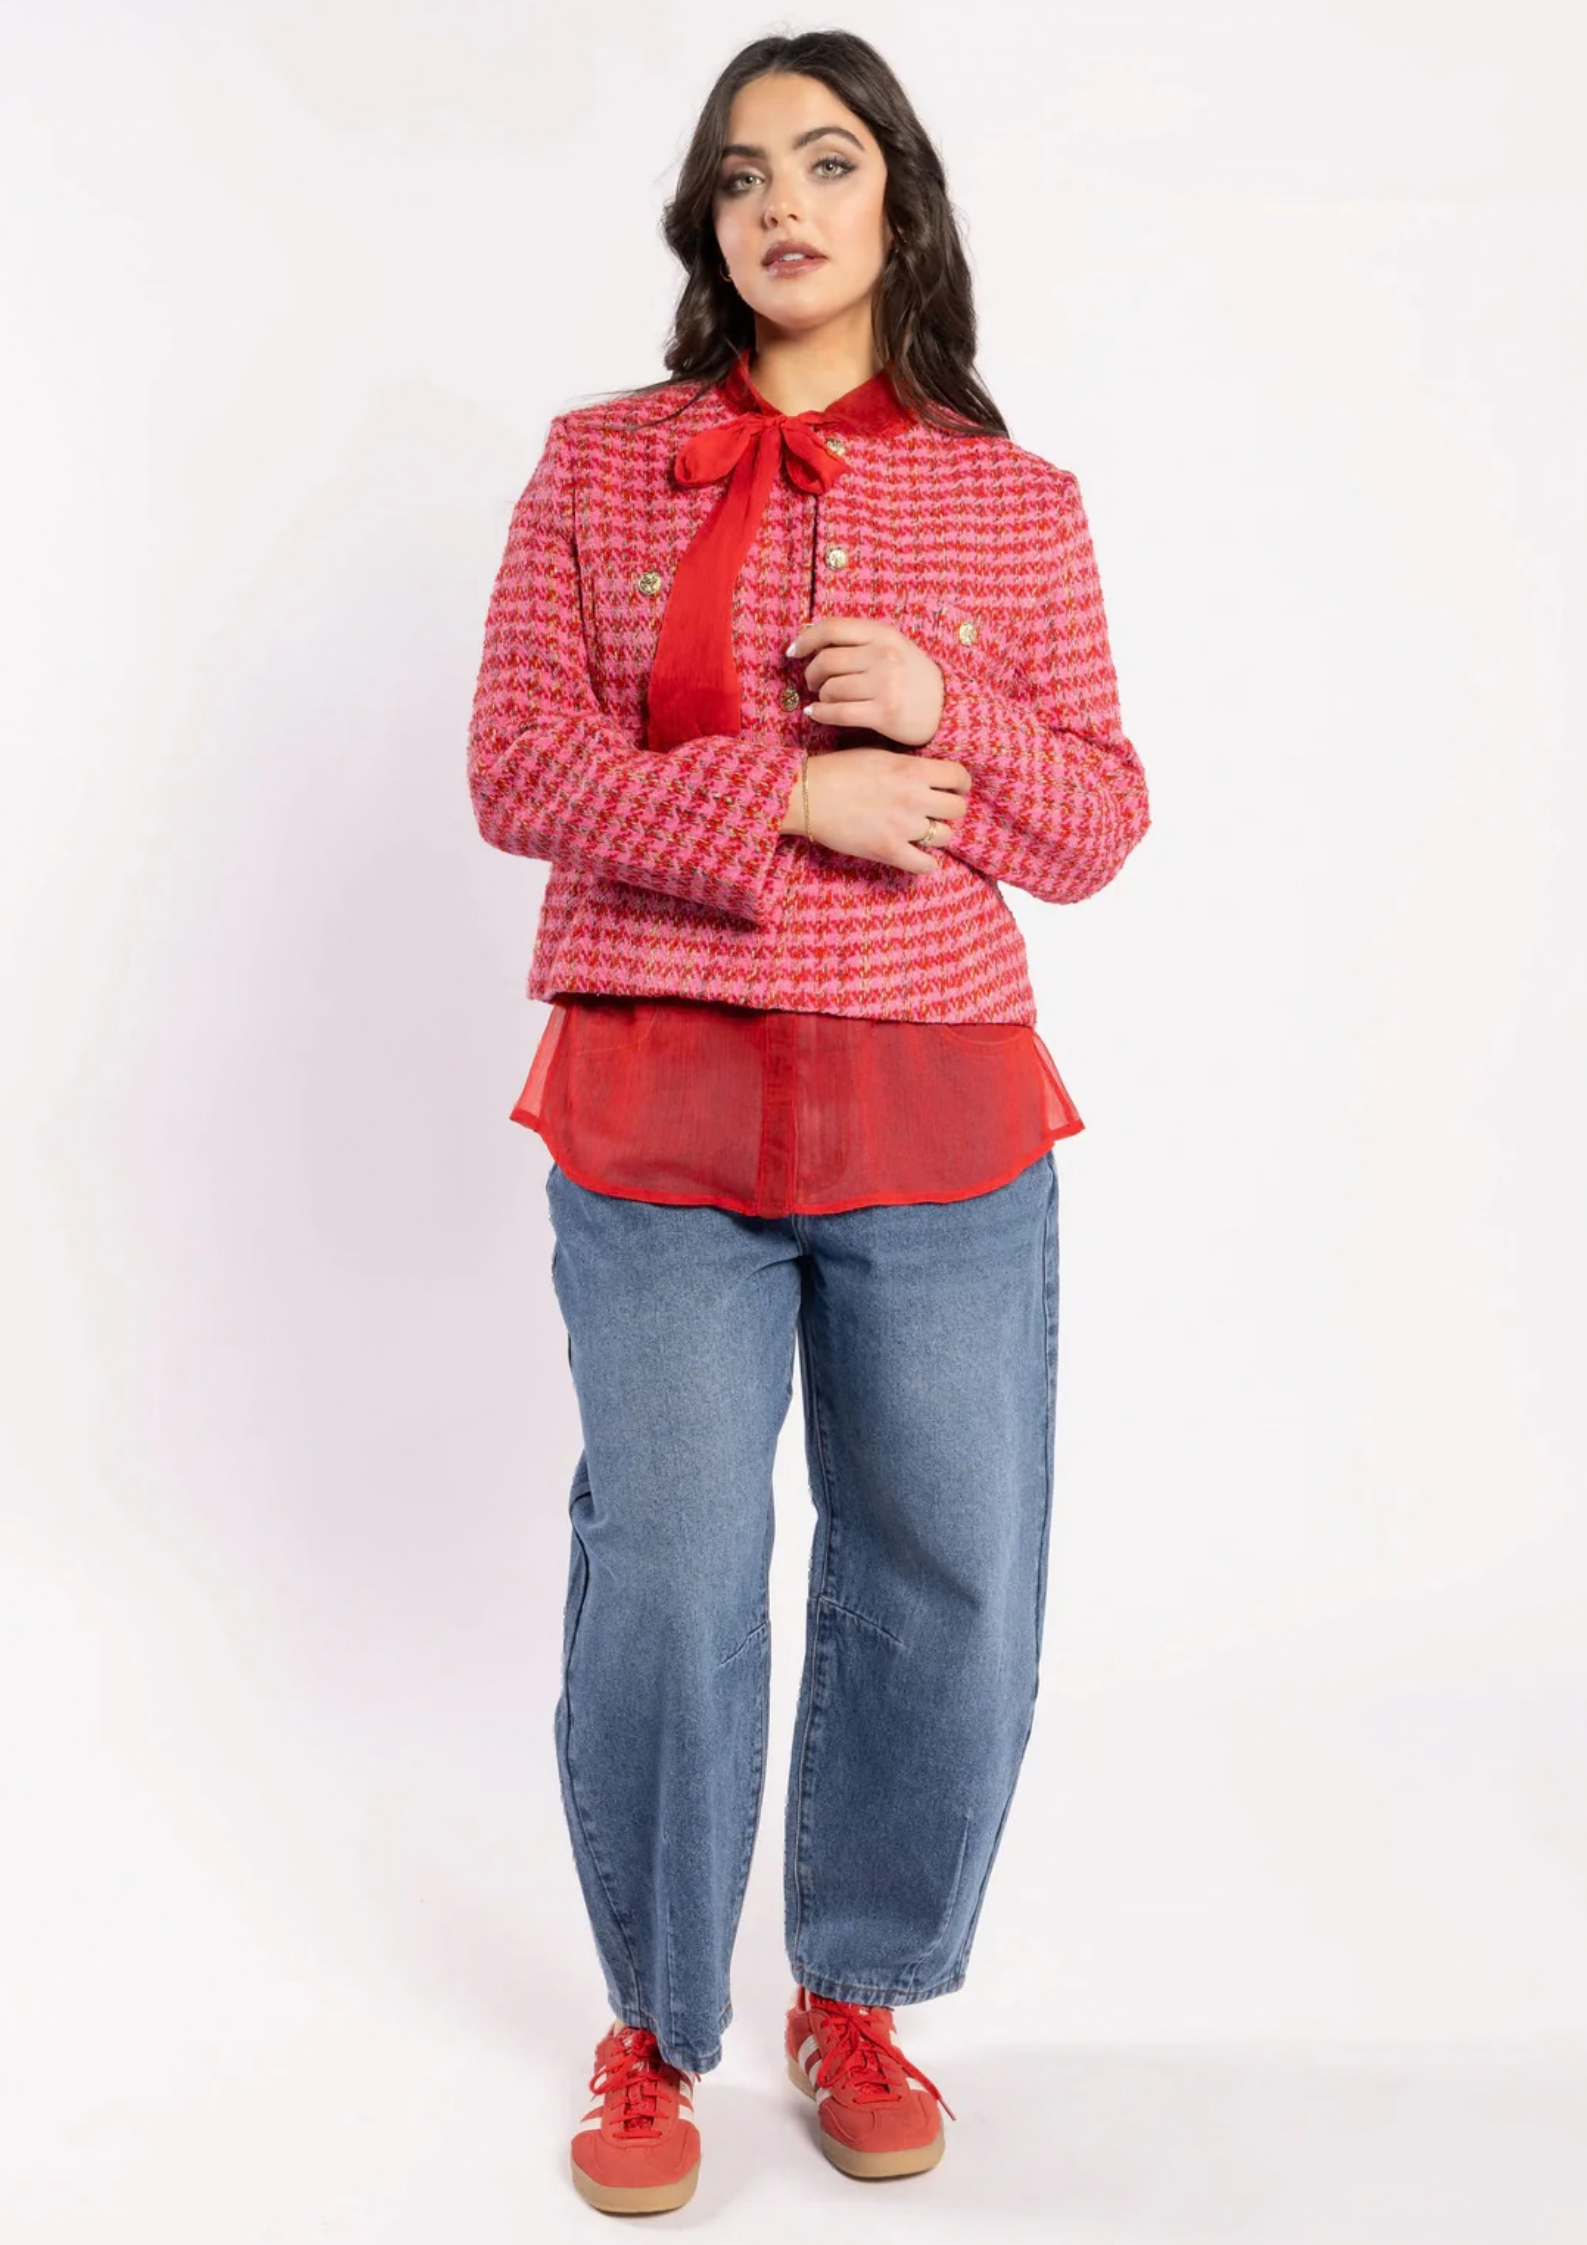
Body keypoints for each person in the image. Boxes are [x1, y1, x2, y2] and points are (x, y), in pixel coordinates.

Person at [466, 28, 1150, 2217]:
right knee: (670, 1575)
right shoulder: (600, 465)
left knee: (947, 1568)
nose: (783, 203)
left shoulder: (1015, 501)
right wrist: (791, 795)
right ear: (706, 217)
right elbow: (516, 769)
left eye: (827, 163)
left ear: (896, 207)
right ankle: (652, 2021)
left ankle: (856, 1990)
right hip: (659, 1099)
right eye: (745, 171)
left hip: (937, 1105)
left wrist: (954, 712)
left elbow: (1096, 825)